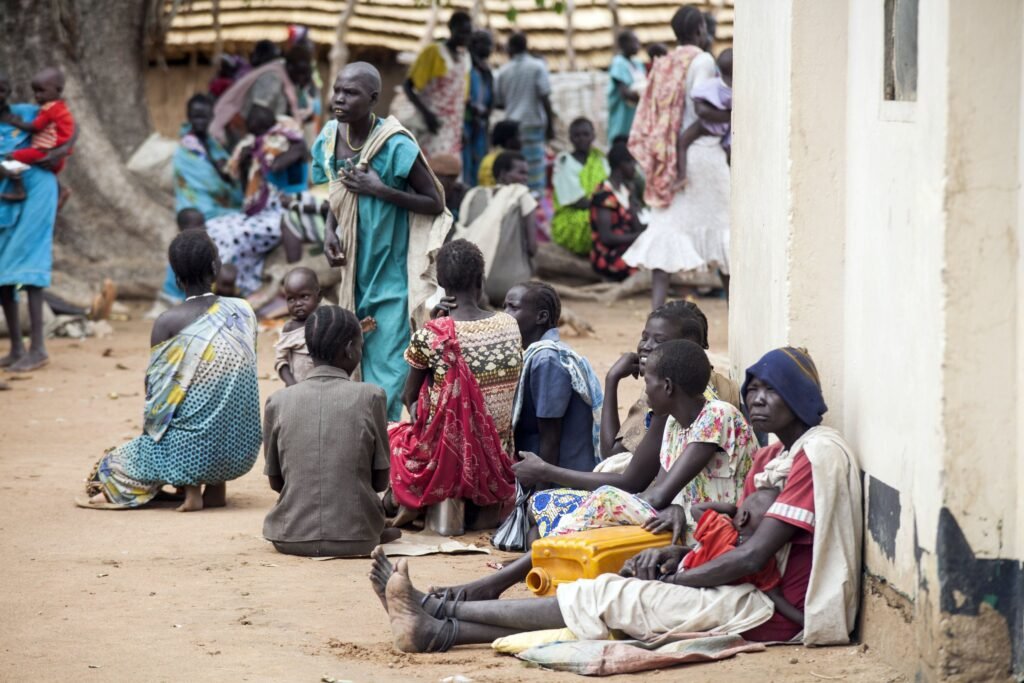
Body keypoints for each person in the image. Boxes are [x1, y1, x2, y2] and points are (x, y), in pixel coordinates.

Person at [368, 346, 861, 652]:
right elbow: (736, 533)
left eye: (770, 392)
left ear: (798, 396)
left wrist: (684, 576)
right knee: (607, 594)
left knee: (606, 596)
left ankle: (437, 609)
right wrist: (676, 554)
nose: (754, 399)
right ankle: (435, 625)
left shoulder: (812, 457)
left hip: (771, 612)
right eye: (751, 389)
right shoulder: (775, 455)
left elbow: (753, 553)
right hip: (736, 579)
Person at [78, 230, 261, 512]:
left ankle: (190, 491)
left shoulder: (168, 322)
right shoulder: (243, 311)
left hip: (188, 455)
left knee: (110, 466)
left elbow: (158, 400)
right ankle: (215, 490)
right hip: (241, 450)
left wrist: (148, 440)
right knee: (216, 402)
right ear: (216, 267)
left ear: (176, 277)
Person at [315, 62, 448, 421]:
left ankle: (386, 446)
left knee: (391, 360)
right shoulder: (330, 137)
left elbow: (435, 202)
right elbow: (337, 191)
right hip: (356, 272)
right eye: (338, 90)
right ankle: (370, 445)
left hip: (392, 270)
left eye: (351, 92)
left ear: (373, 99)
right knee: (360, 351)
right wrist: (330, 231)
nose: (340, 98)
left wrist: (382, 190)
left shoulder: (395, 144)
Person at [388, 240, 522, 526]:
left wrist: (435, 324)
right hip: (497, 456)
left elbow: (407, 397)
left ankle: (406, 501)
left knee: (390, 435)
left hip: (446, 461)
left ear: (441, 284)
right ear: (481, 280)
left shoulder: (432, 335)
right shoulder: (510, 326)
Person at [263, 305, 401, 557]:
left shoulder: (278, 401)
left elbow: (276, 481)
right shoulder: (371, 396)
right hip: (359, 537)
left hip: (288, 536)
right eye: (360, 345)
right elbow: (380, 480)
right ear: (350, 349)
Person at [625, 6, 729, 309]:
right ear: (700, 30)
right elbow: (702, 106)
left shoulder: (665, 63)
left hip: (668, 161)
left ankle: (655, 315)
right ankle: (736, 315)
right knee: (724, 232)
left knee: (666, 233)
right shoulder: (703, 60)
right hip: (703, 155)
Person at [0, 71, 73, 373]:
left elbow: (70, 129)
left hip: (38, 191)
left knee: (30, 266)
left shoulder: (26, 113)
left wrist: (54, 153)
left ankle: (38, 348)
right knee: (2, 272)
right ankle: (17, 347)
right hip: (6, 197)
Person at [206, 104, 309, 295]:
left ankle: (240, 286)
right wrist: (247, 161)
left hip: (289, 207)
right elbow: (253, 187)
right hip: (266, 210)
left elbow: (276, 167)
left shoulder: (295, 145)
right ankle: (220, 284)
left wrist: (258, 154)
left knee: (235, 237)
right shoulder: (260, 148)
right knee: (214, 228)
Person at [504, 282, 603, 477]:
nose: (505, 315)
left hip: (562, 479)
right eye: (504, 306)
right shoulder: (536, 354)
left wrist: (539, 497)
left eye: (513, 307)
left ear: (541, 317)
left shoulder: (547, 360)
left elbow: (550, 439)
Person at [454, 151, 537, 305]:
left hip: (471, 287)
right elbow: (532, 247)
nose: (525, 178)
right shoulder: (522, 194)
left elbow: (461, 233)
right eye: (521, 173)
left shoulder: (472, 194)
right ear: (503, 174)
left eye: (527, 174)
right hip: (512, 287)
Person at [402, 11, 473, 158]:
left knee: (447, 172)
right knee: (427, 168)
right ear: (451, 28)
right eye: (462, 32)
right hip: (430, 125)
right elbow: (408, 86)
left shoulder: (466, 59)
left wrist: (461, 129)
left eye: (468, 33)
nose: (465, 37)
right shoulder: (433, 52)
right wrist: (427, 115)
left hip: (453, 130)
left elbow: (461, 99)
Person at [0, 68, 74, 203]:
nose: (37, 96)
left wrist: (62, 150)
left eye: (1, 90)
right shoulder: (48, 108)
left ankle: (20, 189)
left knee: (13, 158)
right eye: (36, 92)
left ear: (9, 92)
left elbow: (71, 125)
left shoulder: (26, 112)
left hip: (40, 171)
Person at [493, 33, 554, 196]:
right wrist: (550, 126)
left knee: (513, 169)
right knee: (534, 173)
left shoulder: (503, 71)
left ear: (509, 49)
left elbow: (499, 102)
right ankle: (534, 207)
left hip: (511, 129)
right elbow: (545, 97)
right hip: (533, 125)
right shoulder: (538, 66)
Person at [173, 93, 243, 220]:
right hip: (199, 211)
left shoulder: (213, 144)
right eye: (196, 117)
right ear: (188, 117)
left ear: (211, 117)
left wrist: (227, 170)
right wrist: (219, 169)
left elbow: (231, 173)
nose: (200, 122)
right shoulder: (185, 150)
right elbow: (211, 182)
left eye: (204, 117)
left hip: (220, 208)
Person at [551, 118, 609, 256]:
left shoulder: (600, 160)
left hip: (601, 208)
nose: (581, 139)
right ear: (570, 138)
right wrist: (606, 208)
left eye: (585, 134)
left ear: (593, 136)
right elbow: (577, 201)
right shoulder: (564, 162)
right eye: (577, 135)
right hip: (573, 215)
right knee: (601, 222)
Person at [675, 48, 733, 187]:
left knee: (683, 142)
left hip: (707, 126)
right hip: (725, 128)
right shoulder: (737, 90)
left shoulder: (716, 85)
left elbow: (697, 99)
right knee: (728, 152)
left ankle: (681, 175)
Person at [589, 140, 643, 281]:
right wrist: (639, 236)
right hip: (608, 255)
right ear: (621, 165)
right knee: (646, 264)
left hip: (626, 248)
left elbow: (636, 226)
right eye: (631, 163)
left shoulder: (626, 191)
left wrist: (632, 202)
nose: (634, 167)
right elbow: (606, 238)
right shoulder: (604, 194)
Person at [274, 267, 321, 386]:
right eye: (291, 299)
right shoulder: (290, 329)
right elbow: (280, 361)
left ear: (318, 295)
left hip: (324, 389)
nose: (298, 304)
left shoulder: (326, 322)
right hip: (298, 390)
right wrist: (292, 385)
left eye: (304, 297)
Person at [157, 208, 207, 309]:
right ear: (182, 228)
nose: (203, 228)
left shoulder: (198, 245)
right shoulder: (182, 249)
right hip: (175, 297)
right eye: (197, 225)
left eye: (203, 224)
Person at [462, 30, 494, 187]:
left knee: (479, 161)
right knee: (465, 162)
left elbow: (491, 98)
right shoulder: (466, 66)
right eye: (487, 44)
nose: (490, 48)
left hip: (480, 125)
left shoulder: (485, 71)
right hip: (466, 123)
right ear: (475, 45)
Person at [606, 31, 646, 144]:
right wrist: (645, 99)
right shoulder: (619, 63)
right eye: (634, 42)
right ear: (623, 44)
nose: (638, 45)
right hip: (622, 118)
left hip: (636, 119)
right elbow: (624, 92)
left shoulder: (638, 64)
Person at [476, 119, 521, 188]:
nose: (522, 140)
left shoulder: (488, 158)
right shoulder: (506, 160)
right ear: (509, 140)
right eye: (518, 136)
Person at [429, 153, 466, 219]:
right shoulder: (428, 194)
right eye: (439, 176)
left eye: (452, 178)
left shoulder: (463, 193)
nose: (449, 182)